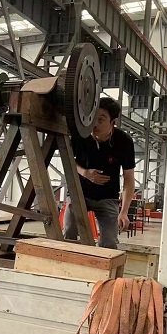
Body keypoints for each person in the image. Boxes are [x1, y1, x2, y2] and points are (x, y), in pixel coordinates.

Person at [63, 97, 135, 249]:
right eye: (92, 118)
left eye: (101, 119)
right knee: (69, 233)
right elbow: (68, 160)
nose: (94, 124)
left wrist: (124, 212)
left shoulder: (124, 141)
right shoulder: (80, 135)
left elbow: (129, 179)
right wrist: (85, 173)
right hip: (80, 193)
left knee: (109, 243)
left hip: (107, 197)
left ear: (113, 122)